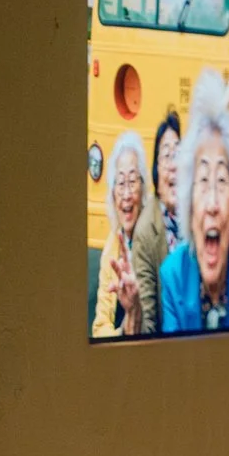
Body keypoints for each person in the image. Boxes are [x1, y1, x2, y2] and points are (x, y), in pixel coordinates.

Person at [159, 73, 229, 333]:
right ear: (188, 206)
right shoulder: (172, 276)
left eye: (222, 180)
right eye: (203, 181)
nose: (213, 204)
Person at [89, 129, 147, 339]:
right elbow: (100, 327)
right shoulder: (110, 250)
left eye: (133, 182)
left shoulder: (154, 240)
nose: (127, 194)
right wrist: (123, 332)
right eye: (121, 183)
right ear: (112, 195)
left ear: (143, 190)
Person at [131, 108, 182, 335]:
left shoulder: (199, 216)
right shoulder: (145, 232)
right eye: (166, 156)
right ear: (155, 171)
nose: (173, 165)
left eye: (178, 154)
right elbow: (148, 322)